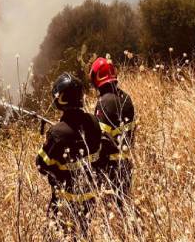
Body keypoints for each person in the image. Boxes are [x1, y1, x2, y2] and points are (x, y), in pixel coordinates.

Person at [35, 73, 104, 238]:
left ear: (61, 99)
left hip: (64, 204)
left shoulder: (57, 133)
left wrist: (52, 136)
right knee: (82, 235)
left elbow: (41, 165)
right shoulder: (94, 122)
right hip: (90, 200)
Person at [89, 57, 136, 207]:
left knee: (112, 209)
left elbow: (101, 140)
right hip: (126, 162)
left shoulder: (104, 102)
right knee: (124, 205)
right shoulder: (126, 97)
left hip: (110, 167)